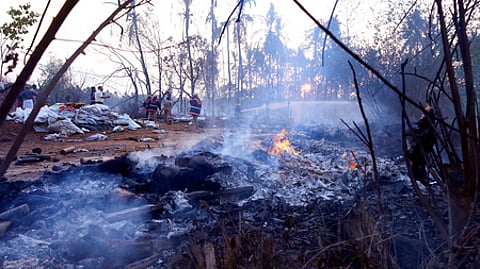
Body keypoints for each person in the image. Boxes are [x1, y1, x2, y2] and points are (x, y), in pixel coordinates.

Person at [407, 103, 436, 185]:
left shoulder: (428, 129)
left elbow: (422, 138)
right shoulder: (426, 127)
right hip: (421, 148)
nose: (421, 115)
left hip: (422, 148)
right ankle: (417, 179)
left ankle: (419, 179)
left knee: (418, 163)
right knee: (417, 164)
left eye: (424, 113)